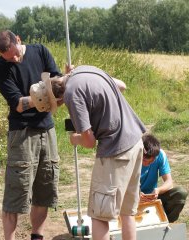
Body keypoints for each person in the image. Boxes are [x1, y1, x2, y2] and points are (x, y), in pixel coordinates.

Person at [30, 65, 146, 240]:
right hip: (136, 141)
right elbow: (121, 85)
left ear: (57, 100)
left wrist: (75, 138)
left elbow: (89, 142)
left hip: (116, 151)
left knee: (99, 216)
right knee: (127, 212)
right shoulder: (83, 70)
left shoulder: (71, 95)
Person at [0, 30, 62, 240]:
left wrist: (64, 81)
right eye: (7, 57)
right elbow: (17, 104)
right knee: (16, 192)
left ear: (18, 40)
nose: (13, 59)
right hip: (22, 133)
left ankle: (37, 236)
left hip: (47, 129)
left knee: (44, 189)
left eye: (14, 54)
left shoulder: (40, 51)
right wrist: (41, 95)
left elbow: (56, 80)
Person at [140, 133, 188, 222]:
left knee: (180, 193)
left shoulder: (161, 155)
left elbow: (169, 182)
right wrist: (135, 194)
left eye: (151, 162)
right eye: (144, 161)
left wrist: (158, 190)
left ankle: (166, 223)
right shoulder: (130, 157)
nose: (147, 164)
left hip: (152, 197)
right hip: (131, 199)